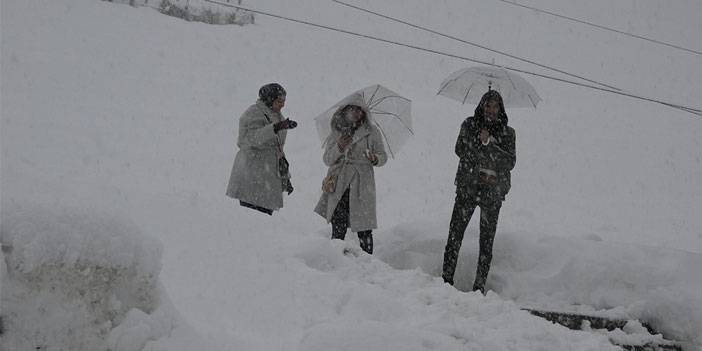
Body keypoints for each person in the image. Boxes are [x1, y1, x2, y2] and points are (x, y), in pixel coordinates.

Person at [442, 90, 516, 293]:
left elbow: (509, 162)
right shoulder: (469, 124)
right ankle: (446, 280)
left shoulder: (508, 133)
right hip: (468, 188)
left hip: (492, 193)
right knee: (455, 235)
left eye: (495, 107)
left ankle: (479, 286)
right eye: (488, 106)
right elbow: (460, 149)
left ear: (501, 109)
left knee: (486, 242)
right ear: (482, 106)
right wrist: (478, 141)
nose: (492, 110)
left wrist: (490, 144)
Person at [314, 98, 387, 254]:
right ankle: (336, 258)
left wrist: (374, 158)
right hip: (339, 183)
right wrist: (339, 146)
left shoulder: (372, 131)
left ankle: (368, 260)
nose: (356, 113)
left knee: (364, 226)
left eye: (360, 110)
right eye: (352, 109)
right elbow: (327, 159)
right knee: (338, 224)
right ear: (345, 110)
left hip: (362, 183)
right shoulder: (336, 130)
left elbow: (383, 157)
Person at [226, 83, 298, 215]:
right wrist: (275, 128)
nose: (283, 105)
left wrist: (285, 176)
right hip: (252, 176)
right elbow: (248, 139)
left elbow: (277, 149)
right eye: (279, 101)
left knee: (264, 220)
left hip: (267, 178)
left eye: (284, 101)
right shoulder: (253, 113)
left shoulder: (277, 115)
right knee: (252, 219)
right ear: (270, 99)